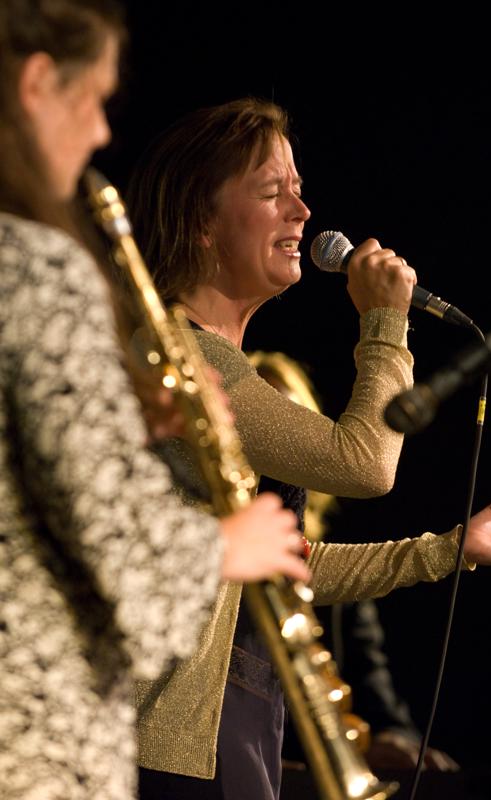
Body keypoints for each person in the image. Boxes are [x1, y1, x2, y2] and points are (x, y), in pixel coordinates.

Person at [125, 98, 491, 800]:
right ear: (200, 223)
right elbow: (365, 466)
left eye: (299, 187)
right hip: (168, 745)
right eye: (272, 191)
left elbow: (290, 568)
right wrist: (385, 322)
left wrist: (453, 549)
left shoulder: (222, 365)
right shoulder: (188, 361)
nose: (303, 211)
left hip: (224, 729)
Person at [0, 8, 309, 800]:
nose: (104, 132)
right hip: (39, 733)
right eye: (96, 99)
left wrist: (125, 419)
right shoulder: (36, 267)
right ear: (38, 84)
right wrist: (225, 546)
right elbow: (116, 544)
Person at [248, 351, 459, 778]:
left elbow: (371, 681)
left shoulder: (335, 573)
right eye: (271, 428)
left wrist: (395, 736)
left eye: (296, 424)